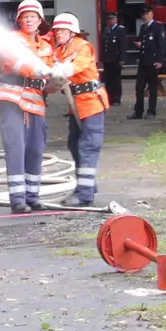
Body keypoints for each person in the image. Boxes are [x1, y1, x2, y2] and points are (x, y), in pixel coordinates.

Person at [0, 0, 59, 213]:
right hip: (13, 99)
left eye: (33, 16)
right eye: (25, 16)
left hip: (36, 103)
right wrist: (37, 70)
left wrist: (57, 81)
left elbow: (49, 80)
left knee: (35, 150)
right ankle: (18, 199)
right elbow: (15, 63)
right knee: (16, 148)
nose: (29, 19)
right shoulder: (12, 40)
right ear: (19, 20)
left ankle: (32, 196)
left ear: (40, 20)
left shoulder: (47, 47)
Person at [50, 14, 110, 207]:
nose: (58, 33)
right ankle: (87, 185)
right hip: (76, 104)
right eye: (56, 30)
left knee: (88, 147)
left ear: (72, 32)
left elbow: (77, 66)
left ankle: (84, 195)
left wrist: (62, 71)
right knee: (74, 144)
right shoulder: (59, 51)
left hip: (91, 103)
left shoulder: (82, 46)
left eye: (62, 30)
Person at [132, 6, 166, 119]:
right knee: (139, 87)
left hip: (153, 62)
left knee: (152, 88)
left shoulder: (157, 26)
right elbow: (141, 41)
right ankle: (138, 111)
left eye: (147, 13)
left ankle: (151, 111)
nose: (144, 16)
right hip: (143, 61)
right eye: (143, 14)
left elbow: (161, 45)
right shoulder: (143, 27)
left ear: (151, 14)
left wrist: (160, 60)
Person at [100, 12, 127, 108]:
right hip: (107, 59)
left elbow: (123, 45)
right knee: (108, 80)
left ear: (116, 19)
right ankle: (110, 97)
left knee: (116, 80)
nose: (111, 20)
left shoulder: (120, 30)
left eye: (112, 19)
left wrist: (122, 58)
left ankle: (116, 98)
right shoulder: (107, 30)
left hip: (116, 59)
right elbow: (104, 45)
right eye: (109, 19)